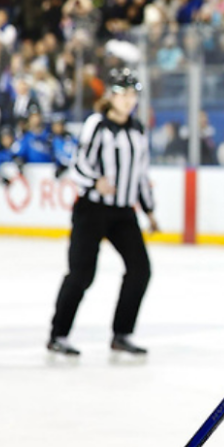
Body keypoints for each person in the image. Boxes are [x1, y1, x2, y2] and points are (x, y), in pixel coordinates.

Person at [47, 68, 157, 357]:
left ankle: (122, 333)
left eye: (133, 95)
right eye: (124, 94)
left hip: (123, 212)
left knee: (140, 270)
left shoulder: (138, 130)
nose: (129, 101)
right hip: (92, 209)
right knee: (82, 274)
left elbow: (141, 174)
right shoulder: (96, 124)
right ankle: (58, 334)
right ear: (111, 95)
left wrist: (149, 209)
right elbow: (78, 164)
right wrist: (95, 181)